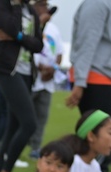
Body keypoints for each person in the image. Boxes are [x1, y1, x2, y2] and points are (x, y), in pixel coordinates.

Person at [0, 0, 43, 172]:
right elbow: (10, 26)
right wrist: (16, 7)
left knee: (13, 127)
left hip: (27, 74)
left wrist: (17, 37)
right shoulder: (1, 4)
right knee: (29, 124)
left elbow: (38, 45)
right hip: (7, 70)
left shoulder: (31, 10)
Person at [66, 0, 111, 117]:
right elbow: (86, 44)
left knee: (110, 126)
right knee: (98, 127)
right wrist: (80, 82)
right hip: (95, 79)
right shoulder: (97, 3)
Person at [28, 0, 64, 160]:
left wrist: (53, 69)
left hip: (47, 82)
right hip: (32, 79)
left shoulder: (54, 29)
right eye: (42, 5)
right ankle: (13, 146)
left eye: (46, 5)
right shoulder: (30, 25)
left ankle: (35, 148)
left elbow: (59, 54)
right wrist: (39, 67)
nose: (45, 8)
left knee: (42, 117)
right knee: (24, 117)